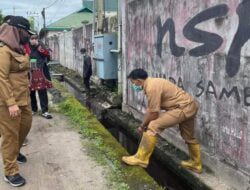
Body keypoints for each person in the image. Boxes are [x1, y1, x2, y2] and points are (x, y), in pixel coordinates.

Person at [122, 68, 202, 173]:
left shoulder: (151, 88)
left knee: (153, 126)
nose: (134, 85)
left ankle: (141, 158)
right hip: (190, 106)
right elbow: (151, 111)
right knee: (188, 136)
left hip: (181, 108)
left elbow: (153, 113)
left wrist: (143, 125)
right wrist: (144, 124)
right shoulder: (154, 82)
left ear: (138, 81)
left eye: (133, 83)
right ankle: (196, 164)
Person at [0, 15, 34, 187]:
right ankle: (10, 171)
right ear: (16, 30)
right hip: (8, 102)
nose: (27, 35)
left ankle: (15, 152)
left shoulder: (18, 48)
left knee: (26, 126)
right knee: (10, 136)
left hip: (24, 98)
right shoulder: (3, 50)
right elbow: (1, 78)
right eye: (25, 32)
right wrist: (11, 102)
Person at [29, 34, 53, 119]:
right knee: (31, 91)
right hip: (31, 70)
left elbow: (47, 54)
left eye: (35, 39)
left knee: (42, 90)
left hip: (41, 70)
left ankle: (45, 111)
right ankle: (33, 109)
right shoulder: (27, 46)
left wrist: (38, 46)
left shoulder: (41, 46)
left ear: (37, 39)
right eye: (31, 39)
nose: (33, 40)